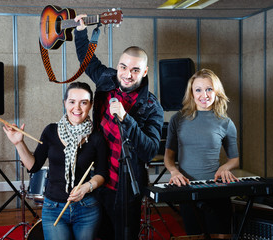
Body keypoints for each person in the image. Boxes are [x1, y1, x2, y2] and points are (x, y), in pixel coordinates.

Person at [73, 15, 164, 240]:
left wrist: (126, 119)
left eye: (135, 70)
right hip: (98, 176)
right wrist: (81, 32)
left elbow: (150, 150)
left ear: (144, 72)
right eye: (123, 67)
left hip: (125, 186)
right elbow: (88, 61)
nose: (127, 74)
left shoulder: (152, 106)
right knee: (98, 234)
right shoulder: (107, 79)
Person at [3, 82, 108, 240]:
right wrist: (19, 143)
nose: (77, 108)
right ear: (65, 103)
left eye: (83, 102)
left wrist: (87, 187)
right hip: (53, 208)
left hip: (87, 208)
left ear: (91, 105)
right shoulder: (51, 131)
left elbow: (102, 173)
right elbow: (34, 165)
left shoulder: (96, 137)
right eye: (72, 102)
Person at [164, 68, 240, 235]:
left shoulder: (226, 122)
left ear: (216, 91)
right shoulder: (178, 119)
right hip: (187, 190)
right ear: (191, 93)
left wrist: (225, 168)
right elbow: (168, 156)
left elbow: (234, 159)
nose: (203, 95)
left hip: (217, 190)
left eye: (209, 89)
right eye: (198, 90)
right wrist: (174, 172)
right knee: (194, 235)